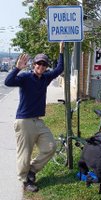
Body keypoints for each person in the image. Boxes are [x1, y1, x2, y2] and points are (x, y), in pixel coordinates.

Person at [4, 42, 64, 192]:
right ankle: (25, 181)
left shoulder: (45, 78)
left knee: (51, 147)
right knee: (24, 154)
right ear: (33, 64)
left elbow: (59, 69)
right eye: (38, 63)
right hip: (24, 121)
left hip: (37, 121)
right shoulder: (25, 77)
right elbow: (8, 82)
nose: (41, 66)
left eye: (44, 64)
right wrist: (17, 67)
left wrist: (61, 51)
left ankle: (31, 171)